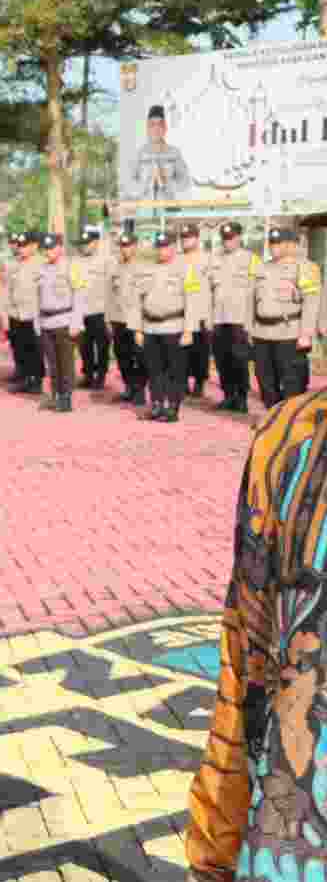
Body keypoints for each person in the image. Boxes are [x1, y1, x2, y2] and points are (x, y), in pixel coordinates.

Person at [185, 387, 327, 881]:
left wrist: (212, 858)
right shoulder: (290, 436)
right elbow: (245, 674)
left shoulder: (289, 434)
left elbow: (242, 678)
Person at [131, 230, 206, 423]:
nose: (161, 251)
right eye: (159, 248)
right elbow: (136, 300)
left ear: (173, 248)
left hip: (175, 326)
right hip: (150, 327)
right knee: (154, 370)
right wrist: (137, 329)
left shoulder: (185, 269)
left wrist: (189, 329)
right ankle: (156, 405)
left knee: (175, 370)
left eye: (165, 247)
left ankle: (173, 406)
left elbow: (192, 299)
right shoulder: (147, 269)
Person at [249, 226, 320, 410]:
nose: (274, 247)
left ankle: (293, 421)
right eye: (271, 243)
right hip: (262, 334)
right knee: (265, 382)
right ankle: (273, 418)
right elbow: (250, 300)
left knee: (292, 383)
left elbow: (311, 303)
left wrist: (306, 334)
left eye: (278, 243)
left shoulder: (305, 268)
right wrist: (248, 328)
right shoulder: (262, 267)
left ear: (290, 245)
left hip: (289, 333)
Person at [32, 232, 86, 413]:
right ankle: (56, 395)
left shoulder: (71, 267)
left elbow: (79, 294)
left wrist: (76, 322)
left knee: (66, 362)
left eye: (52, 248)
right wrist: (36, 322)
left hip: (65, 320)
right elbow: (37, 298)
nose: (48, 252)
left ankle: (66, 397)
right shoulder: (41, 269)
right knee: (52, 364)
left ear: (60, 248)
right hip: (46, 321)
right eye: (45, 249)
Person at [208, 221, 258, 413]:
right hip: (219, 318)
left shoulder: (250, 259)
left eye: (231, 238)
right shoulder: (215, 259)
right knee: (222, 360)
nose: (228, 242)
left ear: (239, 237)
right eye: (225, 239)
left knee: (240, 360)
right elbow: (208, 288)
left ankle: (242, 398)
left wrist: (252, 321)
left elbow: (255, 291)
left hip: (239, 318)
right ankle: (228, 396)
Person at [0, 232, 44, 395]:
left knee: (35, 349)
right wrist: (3, 314)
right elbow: (4, 289)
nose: (21, 249)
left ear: (34, 246)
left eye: (25, 246)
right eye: (20, 245)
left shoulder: (42, 264)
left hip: (34, 314)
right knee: (19, 348)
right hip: (15, 313)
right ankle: (25, 378)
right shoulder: (13, 264)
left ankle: (36, 380)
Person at [107, 232, 149, 407]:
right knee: (122, 356)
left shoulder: (144, 268)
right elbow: (109, 295)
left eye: (129, 245)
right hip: (118, 319)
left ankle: (139, 390)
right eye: (123, 246)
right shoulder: (115, 268)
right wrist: (108, 319)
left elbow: (147, 296)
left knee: (141, 357)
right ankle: (130, 387)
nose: (125, 249)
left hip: (136, 320)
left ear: (135, 246)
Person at [129, 104, 192, 204]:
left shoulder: (174, 153)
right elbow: (129, 184)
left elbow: (185, 182)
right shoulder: (140, 154)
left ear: (165, 127)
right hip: (145, 209)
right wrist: (147, 183)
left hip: (169, 209)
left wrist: (166, 181)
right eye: (152, 125)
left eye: (160, 124)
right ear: (147, 128)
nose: (156, 128)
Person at [75, 229, 112, 389]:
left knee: (102, 345)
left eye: (87, 243)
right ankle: (88, 375)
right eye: (82, 244)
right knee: (85, 346)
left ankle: (101, 376)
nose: (84, 247)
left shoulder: (106, 260)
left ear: (96, 243)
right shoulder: (76, 261)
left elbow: (112, 287)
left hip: (100, 310)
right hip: (82, 310)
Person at [181, 225, 215, 400]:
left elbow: (215, 285)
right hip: (182, 313)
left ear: (197, 238)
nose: (186, 240)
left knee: (201, 352)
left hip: (202, 311)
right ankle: (183, 382)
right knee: (182, 351)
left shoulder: (208, 259)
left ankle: (200, 383)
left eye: (189, 237)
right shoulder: (178, 260)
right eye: (184, 238)